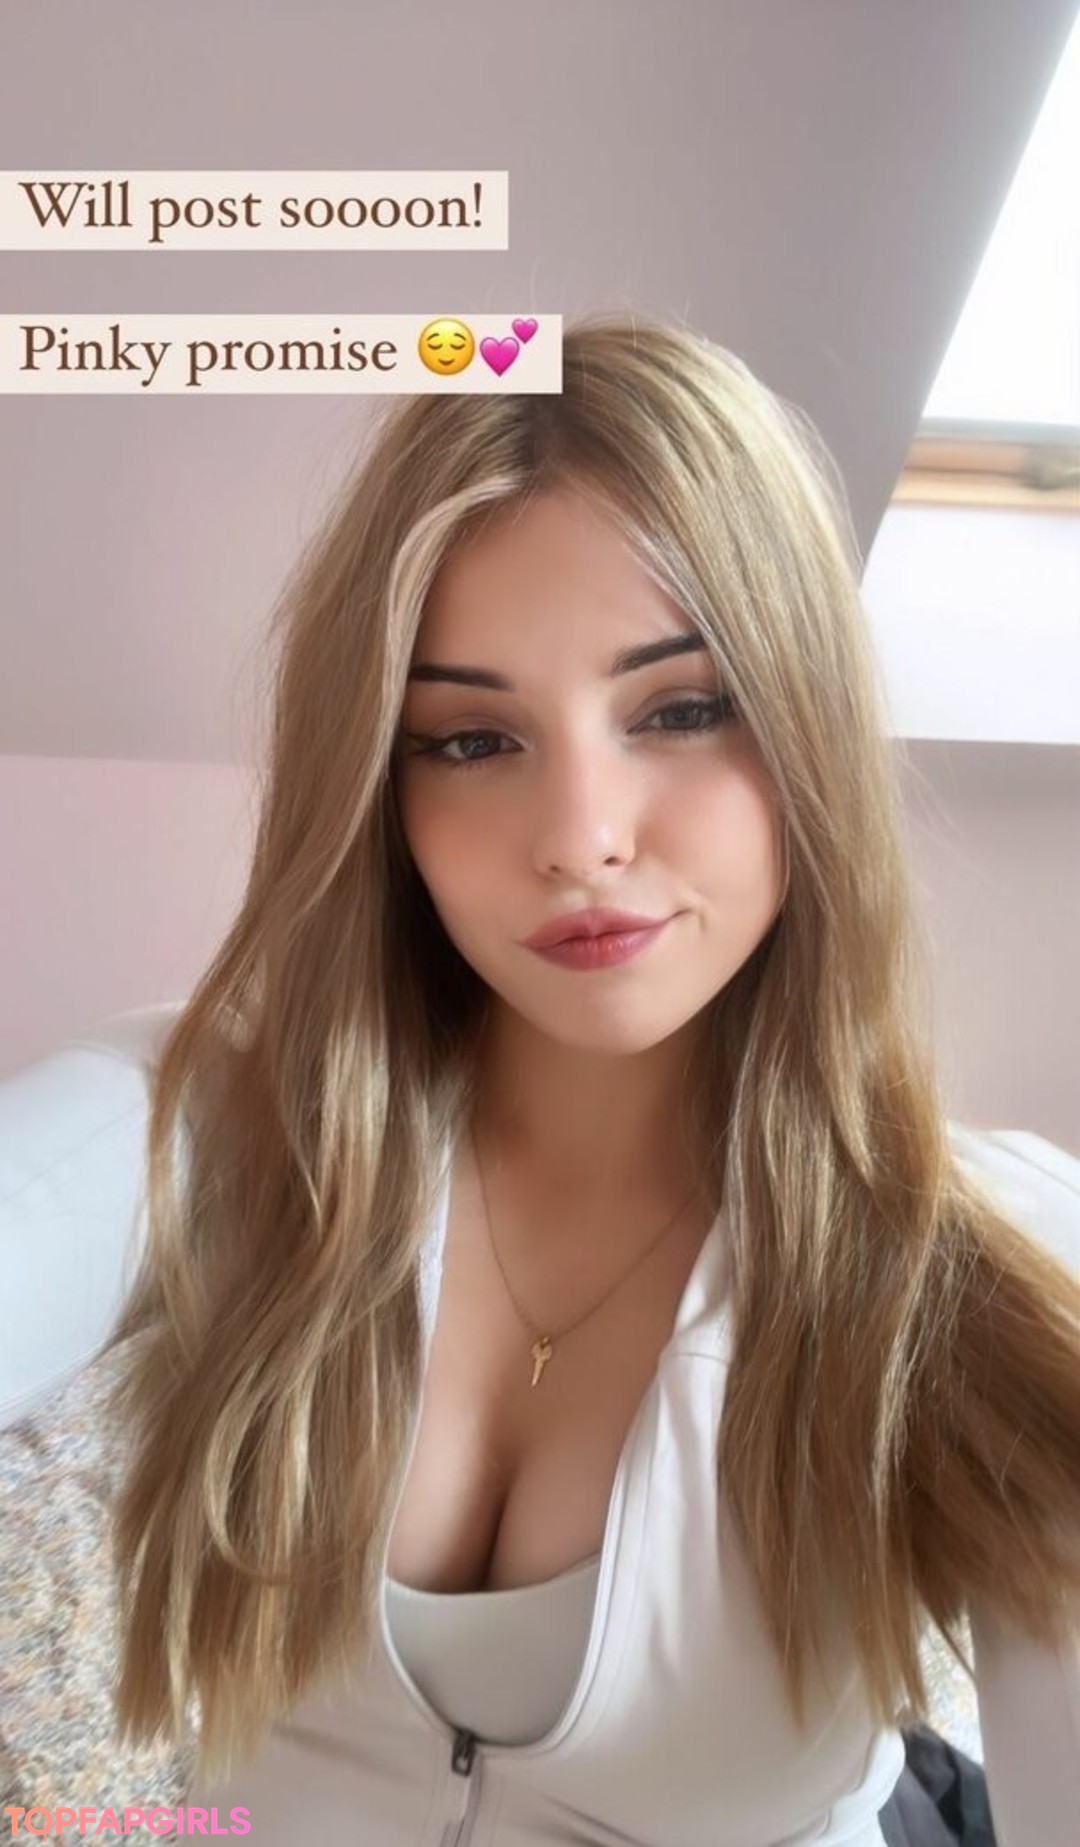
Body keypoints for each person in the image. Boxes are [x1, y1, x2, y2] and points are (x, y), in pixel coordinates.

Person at [1, 314, 1078, 1845]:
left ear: (812, 728)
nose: (580, 836)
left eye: (680, 710)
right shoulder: (227, 1124)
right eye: (471, 739)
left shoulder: (982, 1264)